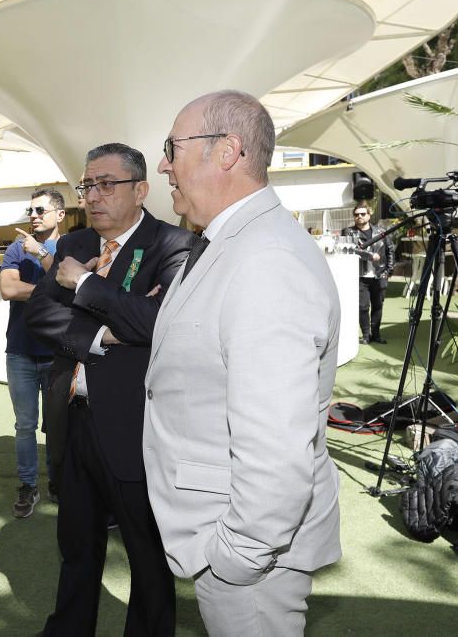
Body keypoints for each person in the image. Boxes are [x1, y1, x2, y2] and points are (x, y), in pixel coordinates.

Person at [147, 90, 341, 636]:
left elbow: (278, 444)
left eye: (173, 147)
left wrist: (235, 556)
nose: (164, 163)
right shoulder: (229, 242)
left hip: (249, 560)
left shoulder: (265, 260)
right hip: (232, 544)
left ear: (226, 152)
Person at [26, 143, 196, 636]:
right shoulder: (75, 244)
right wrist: (102, 333)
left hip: (132, 426)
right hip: (71, 418)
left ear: (141, 190)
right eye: (87, 185)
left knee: (147, 555)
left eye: (107, 184)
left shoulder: (173, 245)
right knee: (76, 547)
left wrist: (84, 288)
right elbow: (39, 314)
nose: (93, 196)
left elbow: (158, 322)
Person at [0, 188, 65, 518]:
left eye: (40, 209)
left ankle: (58, 482)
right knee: (25, 425)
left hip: (58, 354)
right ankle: (28, 485)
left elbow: (73, 286)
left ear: (60, 214)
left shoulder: (70, 247)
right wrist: (52, 291)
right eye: (31, 210)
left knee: (56, 425)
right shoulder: (14, 248)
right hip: (21, 353)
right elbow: (8, 289)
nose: (34, 215)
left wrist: (40, 253)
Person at [342, 202, 394, 344]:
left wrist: (389, 270)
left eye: (362, 214)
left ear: (369, 215)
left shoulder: (381, 232)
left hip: (379, 274)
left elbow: (390, 250)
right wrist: (369, 255)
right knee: (362, 307)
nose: (359, 217)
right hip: (360, 275)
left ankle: (376, 335)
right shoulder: (348, 232)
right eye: (356, 214)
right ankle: (366, 335)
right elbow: (351, 248)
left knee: (378, 306)